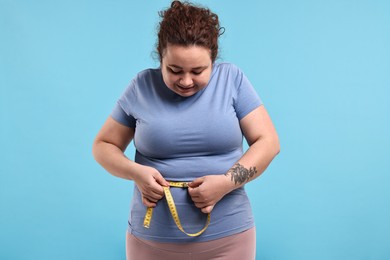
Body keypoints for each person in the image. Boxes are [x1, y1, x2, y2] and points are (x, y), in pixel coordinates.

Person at [92, 1, 280, 259]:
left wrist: (225, 184)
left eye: (198, 71)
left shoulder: (232, 80)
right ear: (161, 58)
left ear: (213, 60)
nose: (186, 81)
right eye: (175, 70)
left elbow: (268, 142)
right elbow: (103, 146)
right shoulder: (141, 86)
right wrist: (136, 173)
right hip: (151, 241)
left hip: (230, 239)